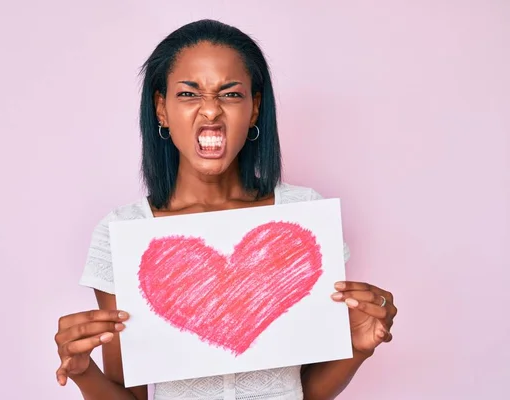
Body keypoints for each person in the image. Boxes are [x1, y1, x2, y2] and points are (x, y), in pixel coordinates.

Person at [54, 19, 397, 400]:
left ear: (254, 109)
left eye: (231, 95)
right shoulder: (124, 231)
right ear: (161, 109)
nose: (211, 112)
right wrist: (85, 373)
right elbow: (131, 394)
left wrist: (359, 349)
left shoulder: (304, 217)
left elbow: (305, 392)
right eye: (189, 94)